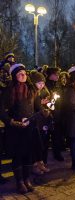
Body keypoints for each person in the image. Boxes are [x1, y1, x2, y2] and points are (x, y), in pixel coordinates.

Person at [1, 64, 37, 193]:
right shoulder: (8, 91)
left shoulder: (31, 89)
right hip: (15, 129)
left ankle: (27, 179)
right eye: (20, 74)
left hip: (29, 128)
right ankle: (19, 182)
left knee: (28, 154)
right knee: (17, 155)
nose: (23, 76)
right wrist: (11, 122)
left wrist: (45, 110)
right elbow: (1, 111)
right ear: (15, 76)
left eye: (24, 73)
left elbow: (36, 106)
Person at [30, 71, 51, 174]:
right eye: (39, 83)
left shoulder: (38, 93)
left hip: (39, 122)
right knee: (35, 144)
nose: (42, 85)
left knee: (39, 144)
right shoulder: (32, 93)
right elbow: (35, 108)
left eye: (43, 83)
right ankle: (35, 165)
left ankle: (40, 164)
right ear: (34, 83)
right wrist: (43, 109)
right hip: (33, 122)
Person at [45, 67, 64, 161]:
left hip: (58, 113)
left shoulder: (58, 84)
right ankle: (43, 158)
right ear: (50, 75)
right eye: (56, 74)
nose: (58, 76)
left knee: (57, 135)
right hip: (47, 114)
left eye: (58, 74)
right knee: (46, 136)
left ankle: (57, 153)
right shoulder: (45, 85)